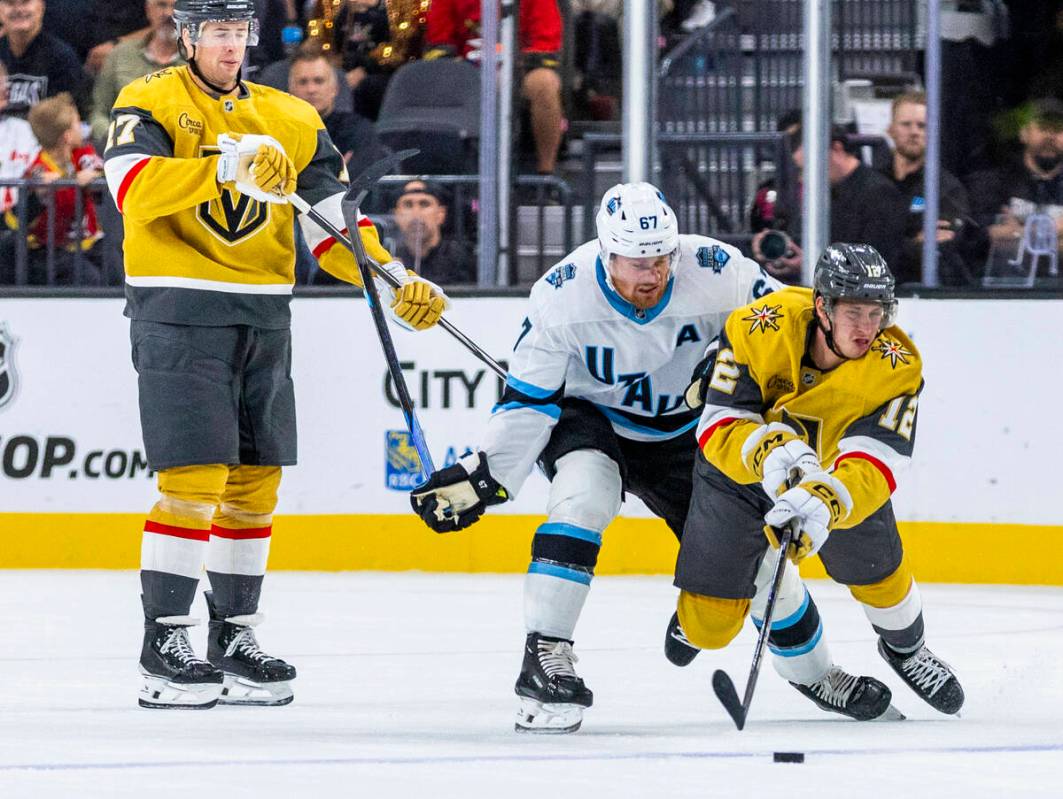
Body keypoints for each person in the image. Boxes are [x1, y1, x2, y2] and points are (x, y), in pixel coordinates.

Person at [410, 182, 898, 733]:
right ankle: (545, 655)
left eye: (661, 258)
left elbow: (789, 326)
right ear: (605, 251)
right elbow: (529, 399)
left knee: (761, 562)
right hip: (593, 421)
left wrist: (739, 365)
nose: (651, 274)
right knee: (582, 498)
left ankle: (818, 675)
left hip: (693, 431)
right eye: (635, 261)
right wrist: (490, 474)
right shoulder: (562, 295)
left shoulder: (719, 270)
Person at [103, 0, 449, 710]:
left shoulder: (291, 118)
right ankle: (164, 640)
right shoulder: (148, 98)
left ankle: (233, 635)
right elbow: (131, 191)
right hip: (178, 307)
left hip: (264, 312)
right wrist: (225, 170)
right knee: (194, 476)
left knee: (255, 483)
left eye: (239, 33)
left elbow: (330, 227)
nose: (230, 47)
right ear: (190, 36)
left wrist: (393, 280)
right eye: (218, 33)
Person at [671, 242, 965, 719]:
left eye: (877, 313)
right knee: (709, 628)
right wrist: (768, 450)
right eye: (854, 312)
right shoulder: (760, 326)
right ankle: (749, 615)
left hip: (835, 479)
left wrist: (826, 498)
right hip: (739, 475)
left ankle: (907, 650)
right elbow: (719, 421)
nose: (867, 328)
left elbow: (878, 458)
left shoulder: (897, 364)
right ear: (822, 306)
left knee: (880, 576)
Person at [751, 123, 908, 285]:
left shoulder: (879, 194)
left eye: (809, 168)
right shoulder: (824, 194)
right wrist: (775, 246)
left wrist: (815, 265)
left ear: (836, 149)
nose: (803, 178)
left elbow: (878, 264)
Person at [425, 0, 563, 176]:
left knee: (545, 83)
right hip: (466, 69)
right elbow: (439, 43)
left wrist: (512, 65)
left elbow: (545, 45)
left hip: (522, 68)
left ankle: (546, 174)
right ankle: (449, 172)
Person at [881, 91, 983, 286]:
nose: (914, 131)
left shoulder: (946, 188)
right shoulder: (873, 182)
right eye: (906, 124)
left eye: (922, 126)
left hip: (924, 291)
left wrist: (886, 244)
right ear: (890, 130)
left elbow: (942, 247)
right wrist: (914, 241)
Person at [11, 92, 103, 284]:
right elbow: (15, 221)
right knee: (89, 278)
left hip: (88, 242)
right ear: (67, 136)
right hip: (46, 251)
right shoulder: (37, 170)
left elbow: (101, 170)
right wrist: (38, 193)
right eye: (78, 123)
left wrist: (90, 176)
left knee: (117, 269)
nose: (83, 128)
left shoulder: (82, 153)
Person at [967, 98, 1063, 255]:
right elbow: (978, 238)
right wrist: (1053, 232)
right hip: (1006, 278)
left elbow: (1007, 237)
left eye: (1058, 129)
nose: (1050, 136)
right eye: (1043, 127)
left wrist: (1019, 233)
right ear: (1024, 134)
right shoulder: (990, 183)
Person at [90, 0, 184, 145]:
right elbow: (98, 112)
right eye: (161, 5)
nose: (168, 13)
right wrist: (120, 139)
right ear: (148, 10)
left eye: (175, 7)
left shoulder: (198, 60)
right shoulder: (120, 54)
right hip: (122, 149)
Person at [286, 46, 382, 177]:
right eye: (303, 82)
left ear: (334, 88)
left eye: (319, 81)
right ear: (291, 90)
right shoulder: (278, 132)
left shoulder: (359, 131)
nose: (311, 89)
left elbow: (359, 182)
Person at [0, 0, 90, 117]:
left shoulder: (62, 58)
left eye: (25, 2)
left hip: (44, 133)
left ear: (41, 7)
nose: (18, 10)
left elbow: (67, 118)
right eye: (10, 3)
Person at [391, 179, 474, 284]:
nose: (416, 214)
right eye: (408, 205)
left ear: (441, 214)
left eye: (424, 204)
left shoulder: (462, 261)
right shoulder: (388, 260)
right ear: (396, 215)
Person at [0, 58, 39, 217]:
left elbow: (40, 172)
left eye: (4, 81)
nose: (4, 88)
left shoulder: (25, 130)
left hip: (19, 228)